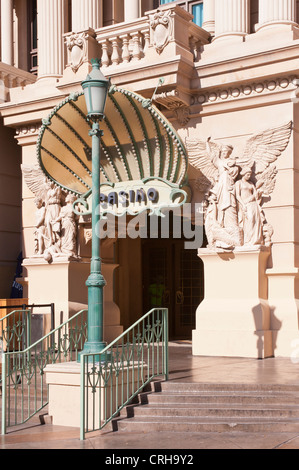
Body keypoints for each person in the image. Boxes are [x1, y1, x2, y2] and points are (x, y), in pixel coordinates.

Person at [235, 167, 264, 246]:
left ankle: (255, 239)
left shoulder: (251, 183)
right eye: (247, 174)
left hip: (253, 204)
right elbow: (237, 195)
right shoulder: (239, 183)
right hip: (245, 204)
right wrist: (243, 204)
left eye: (250, 175)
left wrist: (259, 193)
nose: (249, 176)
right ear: (243, 174)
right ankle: (248, 240)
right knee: (249, 220)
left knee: (256, 220)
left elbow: (255, 194)